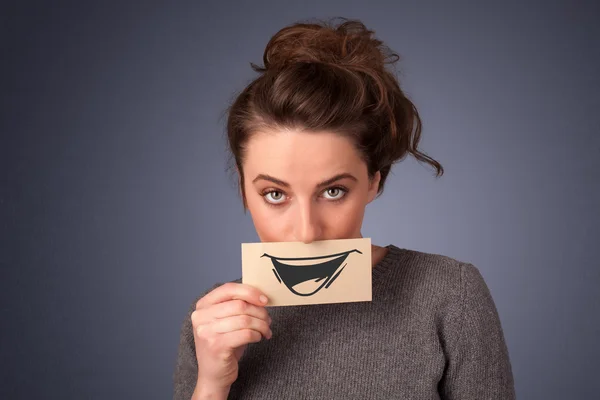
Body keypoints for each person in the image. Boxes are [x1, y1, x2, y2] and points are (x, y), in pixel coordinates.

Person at [173, 18, 516, 400]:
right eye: (274, 194)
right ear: (243, 188)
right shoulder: (212, 321)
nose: (306, 231)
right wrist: (211, 385)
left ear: (374, 181)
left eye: (333, 191)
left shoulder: (450, 295)